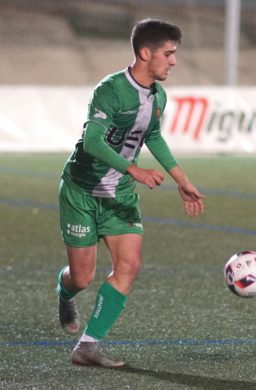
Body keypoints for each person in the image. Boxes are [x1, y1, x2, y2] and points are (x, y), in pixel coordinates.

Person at [56, 18, 205, 367]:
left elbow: (151, 136)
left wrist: (181, 177)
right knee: (82, 277)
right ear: (145, 52)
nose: (173, 61)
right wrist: (135, 169)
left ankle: (88, 346)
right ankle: (64, 293)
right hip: (82, 191)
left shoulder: (158, 96)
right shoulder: (109, 90)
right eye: (168, 54)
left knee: (129, 265)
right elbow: (92, 142)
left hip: (120, 195)